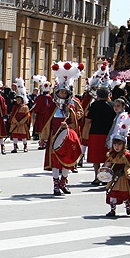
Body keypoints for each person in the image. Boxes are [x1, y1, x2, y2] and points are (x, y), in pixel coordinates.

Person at [40, 61, 83, 196]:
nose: (63, 94)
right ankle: (56, 185)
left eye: (65, 92)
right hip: (54, 138)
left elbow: (75, 124)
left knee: (67, 162)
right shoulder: (52, 107)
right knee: (55, 163)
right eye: (61, 92)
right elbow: (46, 123)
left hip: (67, 138)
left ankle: (64, 182)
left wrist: (68, 126)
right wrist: (44, 138)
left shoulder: (71, 108)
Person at [103, 116, 130, 217]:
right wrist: (107, 166)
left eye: (119, 145)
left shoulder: (126, 156)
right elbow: (106, 165)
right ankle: (112, 210)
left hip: (122, 177)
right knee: (112, 193)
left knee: (123, 194)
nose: (117, 147)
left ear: (123, 145)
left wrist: (129, 173)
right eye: (115, 145)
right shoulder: (111, 155)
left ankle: (127, 204)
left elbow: (129, 166)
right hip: (112, 177)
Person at [86, 86, 115, 185]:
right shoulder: (112, 104)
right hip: (108, 133)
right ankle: (105, 176)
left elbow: (88, 120)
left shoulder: (94, 105)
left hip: (95, 132)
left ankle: (97, 177)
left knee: (96, 157)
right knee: (106, 156)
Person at [9, 78, 31, 153]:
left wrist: (20, 122)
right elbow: (13, 116)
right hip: (15, 123)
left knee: (23, 136)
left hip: (22, 124)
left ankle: (25, 146)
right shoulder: (15, 107)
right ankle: (15, 147)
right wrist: (15, 122)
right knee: (15, 135)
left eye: (19, 100)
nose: (17, 101)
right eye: (17, 100)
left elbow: (27, 116)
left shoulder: (25, 107)